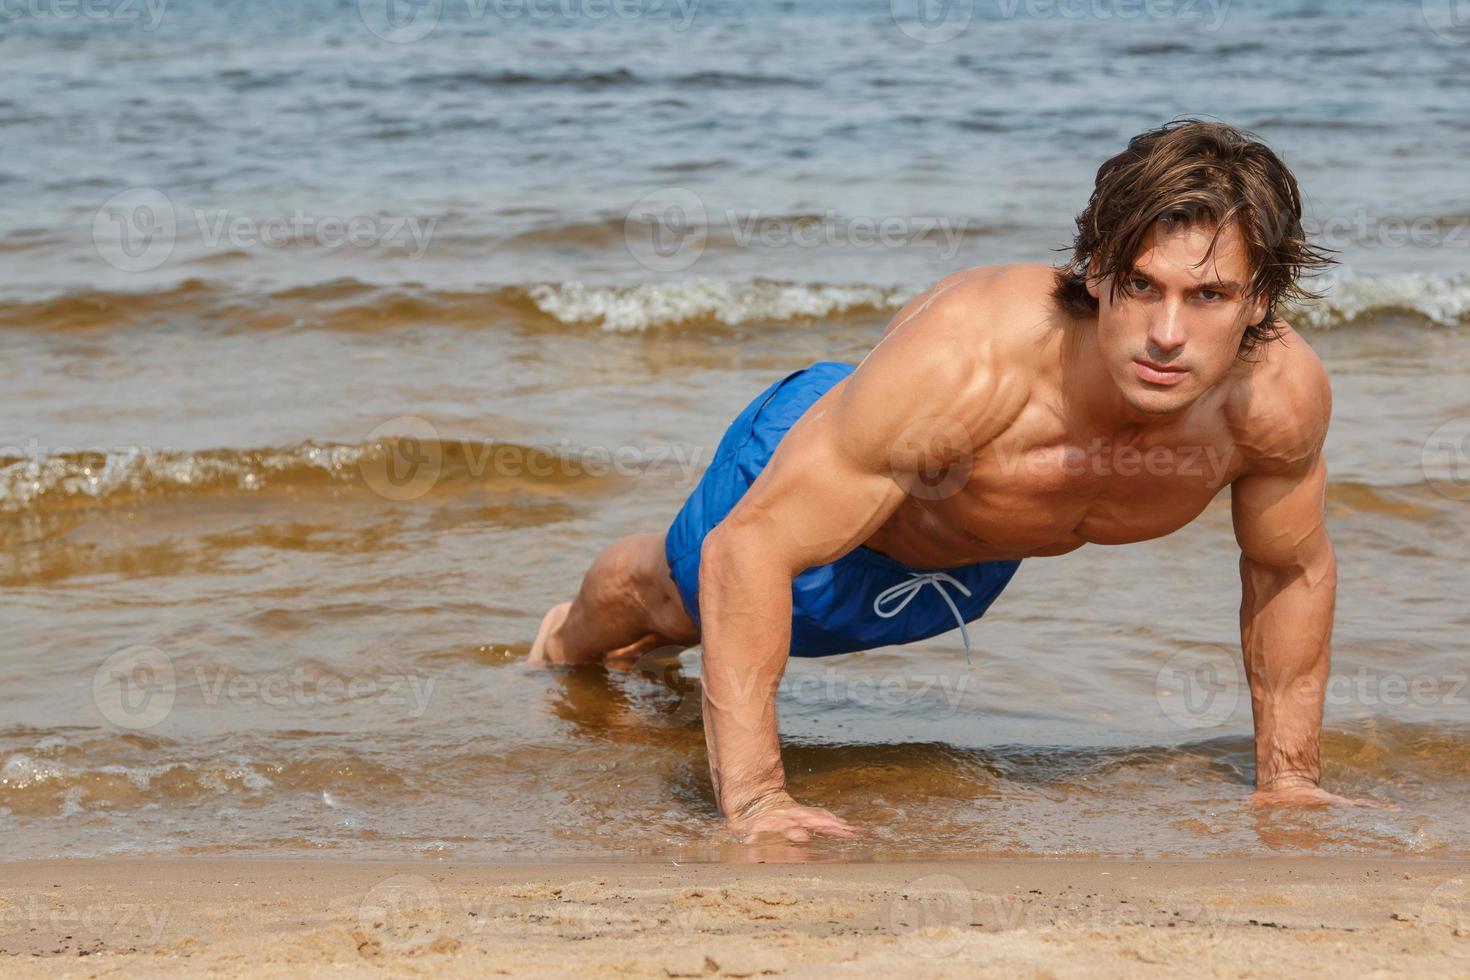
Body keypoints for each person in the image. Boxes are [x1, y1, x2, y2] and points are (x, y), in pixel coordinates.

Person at [530, 119, 1377, 842]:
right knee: (672, 601)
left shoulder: (1275, 402)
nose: (1165, 332)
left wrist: (1289, 781)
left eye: (1209, 296)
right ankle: (561, 645)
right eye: (1140, 285)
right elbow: (742, 549)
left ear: (1262, 298)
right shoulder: (974, 358)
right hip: (848, 457)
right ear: (1093, 270)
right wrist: (757, 801)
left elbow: (1288, 569)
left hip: (963, 559)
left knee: (697, 633)